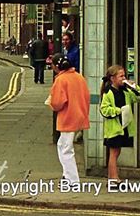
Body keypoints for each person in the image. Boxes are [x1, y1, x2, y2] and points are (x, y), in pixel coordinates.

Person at [49, 52, 90, 185]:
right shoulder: (79, 77)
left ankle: (72, 180)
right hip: (79, 115)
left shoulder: (60, 80)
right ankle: (66, 175)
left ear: (56, 66)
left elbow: (57, 103)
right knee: (63, 145)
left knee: (66, 148)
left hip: (68, 116)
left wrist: (51, 103)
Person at [100, 65, 140, 181]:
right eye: (121, 76)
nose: (124, 78)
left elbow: (138, 98)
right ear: (112, 78)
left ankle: (111, 177)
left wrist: (134, 87)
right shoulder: (108, 92)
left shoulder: (126, 91)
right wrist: (118, 111)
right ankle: (114, 178)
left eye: (124, 75)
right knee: (114, 152)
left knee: (117, 152)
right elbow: (104, 110)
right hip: (114, 128)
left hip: (124, 126)